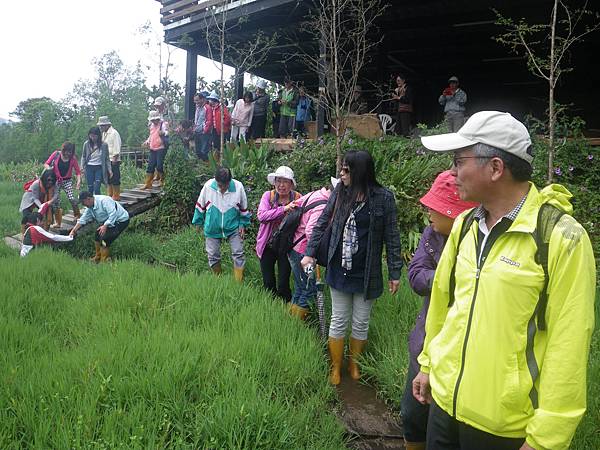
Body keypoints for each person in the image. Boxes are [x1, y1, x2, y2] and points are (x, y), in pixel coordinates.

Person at [414, 111, 596, 450]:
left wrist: (547, 439)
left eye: (458, 161)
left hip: (503, 428)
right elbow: (444, 303)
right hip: (443, 406)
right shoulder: (466, 225)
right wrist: (428, 364)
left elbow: (568, 344)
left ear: (496, 168)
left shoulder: (561, 237)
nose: (451, 173)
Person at [301, 151, 402, 385]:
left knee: (360, 322)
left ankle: (354, 364)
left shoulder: (383, 198)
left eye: (346, 170)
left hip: (367, 272)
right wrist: (309, 253)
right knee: (338, 320)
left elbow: (392, 236)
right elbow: (321, 224)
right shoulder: (340, 193)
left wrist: (395, 272)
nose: (341, 174)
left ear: (359, 172)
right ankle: (335, 367)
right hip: (339, 268)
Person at [402, 170, 477, 450]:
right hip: (425, 342)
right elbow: (416, 275)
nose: (429, 213)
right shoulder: (432, 234)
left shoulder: (481, 243)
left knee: (446, 428)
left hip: (462, 350)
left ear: (455, 213)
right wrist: (447, 278)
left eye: (435, 207)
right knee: (412, 413)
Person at [287, 177, 337, 320]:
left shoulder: (315, 194)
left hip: (294, 248)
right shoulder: (323, 205)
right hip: (303, 253)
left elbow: (296, 204)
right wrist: (313, 254)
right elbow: (311, 231)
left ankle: (290, 319)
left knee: (300, 286)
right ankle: (299, 324)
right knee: (309, 289)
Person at [192, 167, 251, 281]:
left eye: (225, 185)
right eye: (220, 185)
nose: (223, 188)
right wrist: (198, 222)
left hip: (233, 226)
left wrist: (242, 223)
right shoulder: (208, 186)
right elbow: (200, 205)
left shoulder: (238, 187)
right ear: (215, 180)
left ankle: (238, 282)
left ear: (230, 181)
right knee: (213, 255)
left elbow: (244, 208)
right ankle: (218, 278)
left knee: (238, 252)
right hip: (212, 226)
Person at [256, 166, 302, 302]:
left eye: (285, 181)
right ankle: (270, 307)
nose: (281, 185)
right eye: (278, 181)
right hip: (267, 245)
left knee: (283, 283)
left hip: (286, 246)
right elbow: (262, 216)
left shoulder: (298, 197)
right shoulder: (268, 196)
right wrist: (284, 209)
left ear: (291, 184)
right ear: (274, 182)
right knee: (268, 282)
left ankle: (285, 309)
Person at [69, 191, 130, 263]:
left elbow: (113, 214)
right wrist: (73, 230)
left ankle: (103, 261)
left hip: (120, 220)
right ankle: (97, 256)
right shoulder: (90, 207)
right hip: (108, 222)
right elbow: (83, 219)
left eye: (83, 202)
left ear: (88, 199)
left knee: (105, 239)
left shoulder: (104, 201)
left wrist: (105, 225)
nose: (83, 204)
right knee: (97, 235)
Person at [44, 141, 82, 228]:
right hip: (56, 181)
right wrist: (49, 169)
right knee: (56, 201)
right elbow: (46, 163)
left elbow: (78, 172)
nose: (68, 153)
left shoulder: (73, 159)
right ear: (63, 150)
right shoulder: (56, 154)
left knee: (72, 198)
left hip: (67, 180)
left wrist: (78, 181)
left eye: (70, 152)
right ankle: (58, 223)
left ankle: (77, 215)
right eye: (67, 151)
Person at [19, 169, 58, 235]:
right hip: (30, 199)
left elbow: (56, 195)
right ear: (44, 179)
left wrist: (49, 202)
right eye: (48, 180)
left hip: (43, 199)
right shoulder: (36, 184)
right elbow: (35, 198)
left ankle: (45, 232)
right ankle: (25, 235)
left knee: (49, 211)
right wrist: (42, 206)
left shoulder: (54, 183)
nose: (50, 182)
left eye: (52, 180)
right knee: (26, 217)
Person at [142, 110, 168, 189]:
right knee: (150, 166)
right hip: (152, 147)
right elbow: (151, 135)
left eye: (154, 120)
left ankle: (162, 181)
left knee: (159, 165)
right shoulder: (151, 125)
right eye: (152, 120)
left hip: (161, 147)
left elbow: (167, 132)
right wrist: (147, 141)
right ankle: (148, 183)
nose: (153, 121)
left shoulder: (163, 124)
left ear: (158, 118)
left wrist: (163, 133)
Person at [97, 116, 122, 200]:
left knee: (115, 177)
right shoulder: (104, 134)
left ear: (107, 125)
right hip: (107, 160)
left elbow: (116, 146)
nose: (101, 127)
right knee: (108, 178)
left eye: (102, 126)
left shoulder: (114, 133)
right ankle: (110, 194)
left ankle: (116, 195)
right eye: (100, 126)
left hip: (113, 159)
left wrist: (115, 158)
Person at [81, 127, 111, 195]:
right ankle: (90, 203)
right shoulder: (86, 144)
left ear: (98, 135)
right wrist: (82, 167)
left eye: (94, 136)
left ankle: (98, 203)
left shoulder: (104, 145)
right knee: (90, 188)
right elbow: (83, 156)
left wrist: (110, 170)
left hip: (99, 167)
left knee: (97, 188)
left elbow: (107, 159)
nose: (93, 138)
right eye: (91, 136)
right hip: (89, 167)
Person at [193, 91, 214, 161]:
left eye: (197, 100)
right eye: (195, 100)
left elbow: (209, 121)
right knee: (198, 151)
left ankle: (206, 165)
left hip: (204, 133)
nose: (196, 102)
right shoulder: (197, 108)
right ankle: (200, 166)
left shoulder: (207, 108)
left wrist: (205, 130)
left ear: (202, 99)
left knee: (204, 151)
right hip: (197, 132)